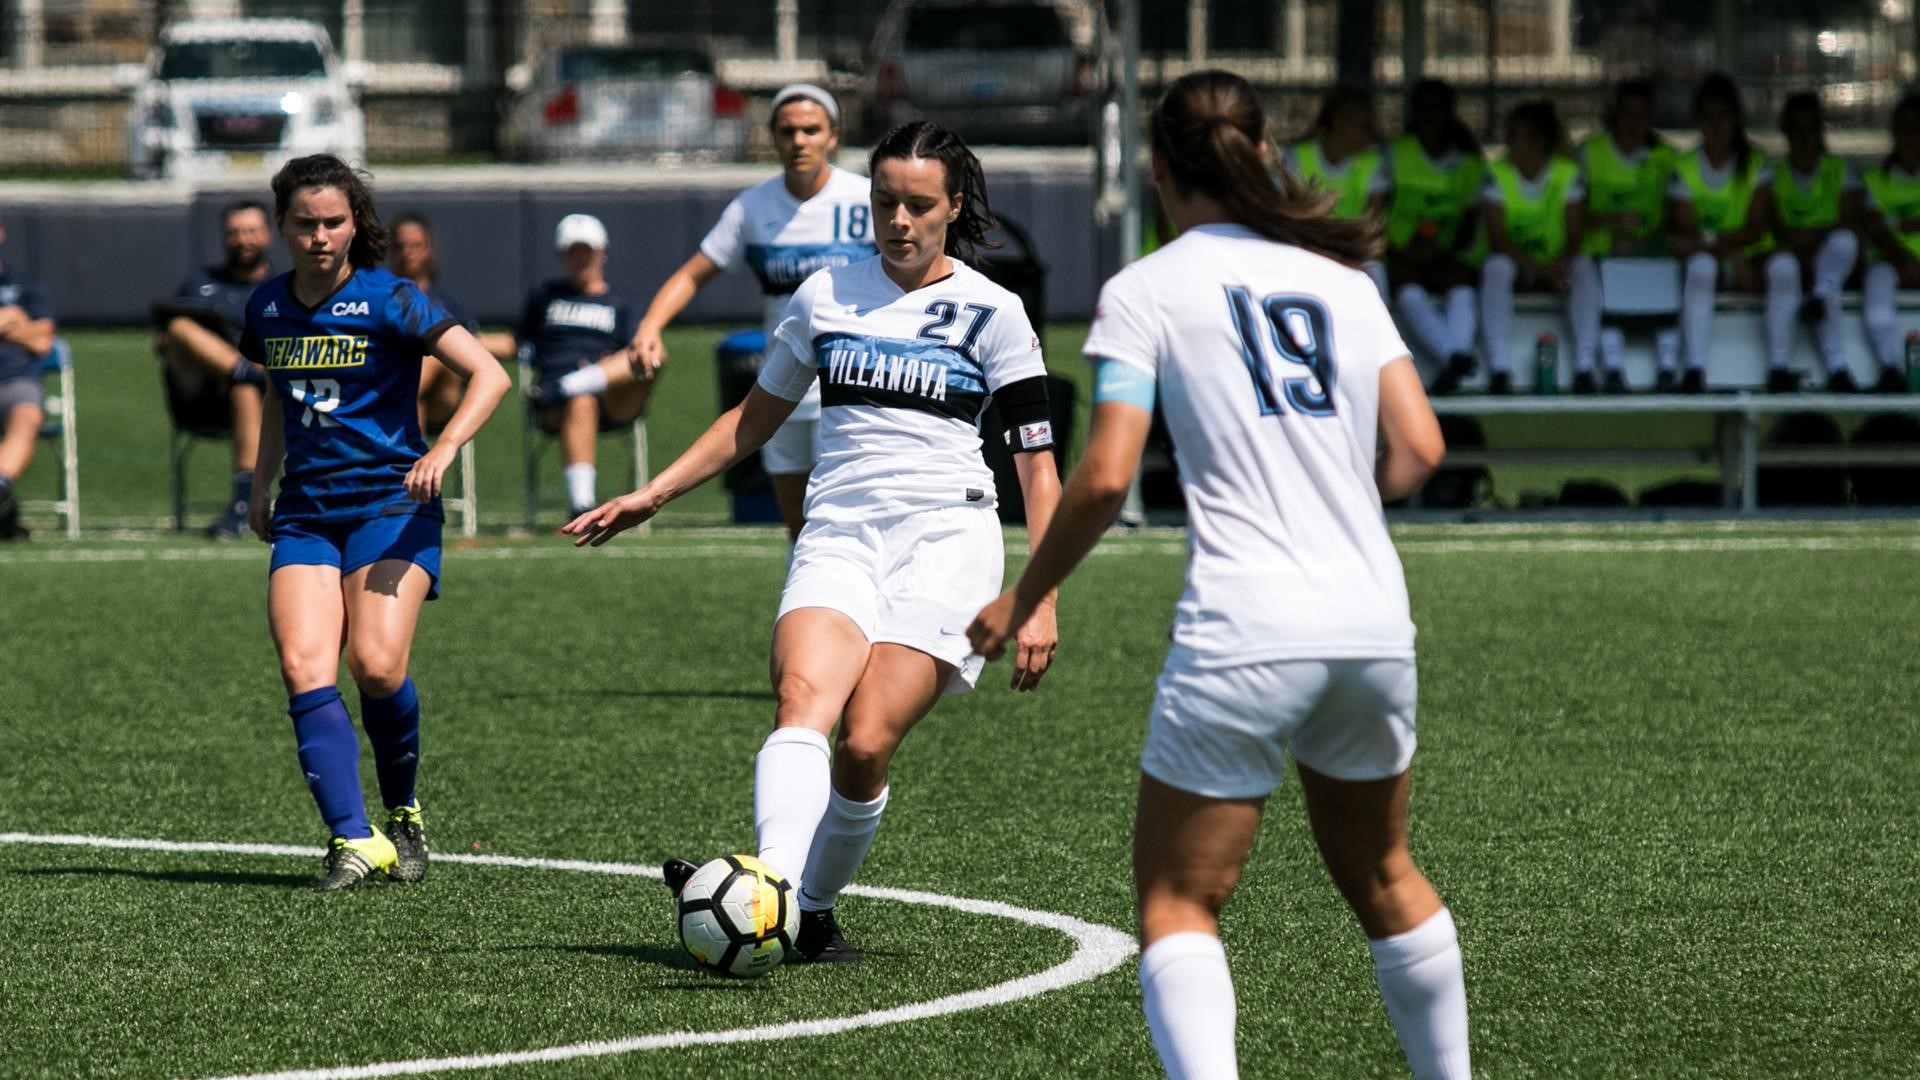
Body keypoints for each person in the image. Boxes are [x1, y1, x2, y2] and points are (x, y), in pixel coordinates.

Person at [968, 70, 1468, 1080]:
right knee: (1385, 877)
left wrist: (1025, 593)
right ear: (1261, 151)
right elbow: (1421, 449)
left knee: (1180, 903)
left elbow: (1105, 476)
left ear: (1156, 168)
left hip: (1245, 624)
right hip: (1371, 619)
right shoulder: (1340, 279)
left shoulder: (1146, 289)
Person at [565, 121, 1063, 963]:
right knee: (804, 701)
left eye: (918, 205)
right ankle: (775, 891)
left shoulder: (996, 312)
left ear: (955, 208)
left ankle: (810, 903)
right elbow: (753, 419)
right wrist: (653, 493)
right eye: (883, 203)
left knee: (866, 743)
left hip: (948, 540)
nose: (898, 221)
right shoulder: (826, 295)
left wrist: (1040, 596)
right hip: (838, 533)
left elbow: (1040, 469)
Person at [242, 154, 511, 891]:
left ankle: (404, 811)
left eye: (334, 222)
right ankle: (352, 839)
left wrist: (446, 448)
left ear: (356, 224)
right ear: (282, 227)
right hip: (305, 514)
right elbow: (277, 392)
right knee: (304, 665)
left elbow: (490, 374)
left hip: (392, 508)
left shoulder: (392, 298)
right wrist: (259, 485)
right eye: (305, 223)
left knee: (377, 665)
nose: (320, 236)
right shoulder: (266, 307)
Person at [628, 84, 875, 540]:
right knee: (797, 530)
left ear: (833, 136)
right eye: (788, 131)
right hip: (781, 382)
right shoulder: (752, 207)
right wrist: (650, 325)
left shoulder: (868, 199)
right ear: (773, 138)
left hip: (849, 384)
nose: (799, 140)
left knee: (844, 520)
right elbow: (692, 275)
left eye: (811, 130)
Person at [153, 200, 274, 538]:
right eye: (234, 232)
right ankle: (248, 373)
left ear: (267, 235)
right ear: (224, 238)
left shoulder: (284, 288)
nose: (243, 239)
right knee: (179, 327)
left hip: (268, 402)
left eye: (250, 231)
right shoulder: (199, 284)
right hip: (199, 392)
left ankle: (243, 505)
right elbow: (165, 343)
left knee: (245, 389)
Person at [518, 213, 649, 519]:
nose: (579, 259)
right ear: (561, 255)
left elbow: (638, 353)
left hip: (612, 394)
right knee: (581, 401)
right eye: (572, 252)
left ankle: (574, 383)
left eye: (585, 251)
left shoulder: (622, 302)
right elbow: (518, 341)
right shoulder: (545, 296)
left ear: (601, 252)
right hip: (555, 405)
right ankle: (582, 506)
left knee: (649, 354)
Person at [1478, 100, 1597, 395]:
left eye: (1514, 136)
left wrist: (1557, 265)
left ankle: (1584, 367)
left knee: (1584, 268)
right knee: (1495, 268)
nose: (1508, 144)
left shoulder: (1567, 173)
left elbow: (1574, 235)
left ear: (1538, 141)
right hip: (1521, 267)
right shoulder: (1497, 173)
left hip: (1555, 265)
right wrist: (1537, 270)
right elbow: (1499, 239)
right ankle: (1499, 369)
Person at [1668, 72, 1774, 394]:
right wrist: (1728, 252)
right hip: (1716, 259)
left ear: (1737, 119)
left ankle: (1779, 366)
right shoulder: (1684, 166)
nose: (1716, 127)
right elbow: (1683, 232)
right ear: (1698, 121)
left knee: (1785, 270)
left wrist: (1717, 244)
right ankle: (1695, 367)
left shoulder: (1757, 163)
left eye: (1724, 117)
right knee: (1701, 267)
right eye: (1708, 118)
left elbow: (1756, 229)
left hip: (1753, 261)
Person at [1384, 79, 1486, 394]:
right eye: (1424, 107)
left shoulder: (1468, 164)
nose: (1431, 115)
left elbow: (1470, 224)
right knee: (1404, 283)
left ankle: (1452, 362)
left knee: (1460, 279)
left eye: (1437, 107)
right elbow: (1376, 210)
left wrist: (1439, 253)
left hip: (1443, 256)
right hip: (1400, 255)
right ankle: (1455, 357)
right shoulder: (1395, 154)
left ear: (1449, 112)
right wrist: (1402, 252)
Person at [1579, 77, 1681, 388]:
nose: (1633, 123)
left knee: (1671, 273)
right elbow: (1571, 215)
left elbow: (1680, 214)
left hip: (1652, 250)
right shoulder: (1589, 152)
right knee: (1597, 281)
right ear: (1615, 114)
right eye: (1627, 113)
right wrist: (1612, 224)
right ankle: (1611, 369)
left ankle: (1667, 368)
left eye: (1642, 114)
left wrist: (1646, 239)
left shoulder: (1667, 157)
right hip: (1603, 250)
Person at [1767, 92, 1864, 393]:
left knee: (1843, 247)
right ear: (1786, 131)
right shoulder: (1774, 174)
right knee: (1785, 269)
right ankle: (1783, 367)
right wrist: (1802, 243)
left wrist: (1814, 238)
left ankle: (1819, 303)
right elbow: (1771, 224)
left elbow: (1849, 221)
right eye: (1796, 128)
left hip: (1828, 259)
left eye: (1810, 128)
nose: (1804, 137)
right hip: (1791, 256)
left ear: (1820, 130)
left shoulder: (1839, 170)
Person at [389, 210, 516, 430]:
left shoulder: (446, 303)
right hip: (402, 386)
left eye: (416, 246)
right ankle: (415, 464)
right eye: (401, 247)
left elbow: (475, 344)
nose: (408, 253)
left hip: (444, 394)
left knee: (437, 347)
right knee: (413, 404)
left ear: (429, 248)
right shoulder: (383, 298)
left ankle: (390, 398)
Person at [1282, 85, 1389, 295]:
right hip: (1305, 251)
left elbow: (1374, 227)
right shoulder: (1297, 156)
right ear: (1339, 122)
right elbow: (1285, 216)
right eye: (1365, 127)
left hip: (1354, 253)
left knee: (1376, 272)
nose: (1371, 135)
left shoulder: (1372, 162)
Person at [1861, 91, 1920, 393]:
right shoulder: (1875, 179)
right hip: (1892, 263)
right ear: (1894, 132)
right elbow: (1875, 227)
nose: (1910, 136)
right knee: (1876, 285)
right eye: (1904, 128)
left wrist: (1897, 223)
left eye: (1916, 127)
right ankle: (1889, 366)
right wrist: (1901, 256)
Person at [0, 216, 54, 541]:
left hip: (14, 380)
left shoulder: (27, 287)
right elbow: (30, 333)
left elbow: (42, 342)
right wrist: (13, 321)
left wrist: (11, 319)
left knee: (28, 414)